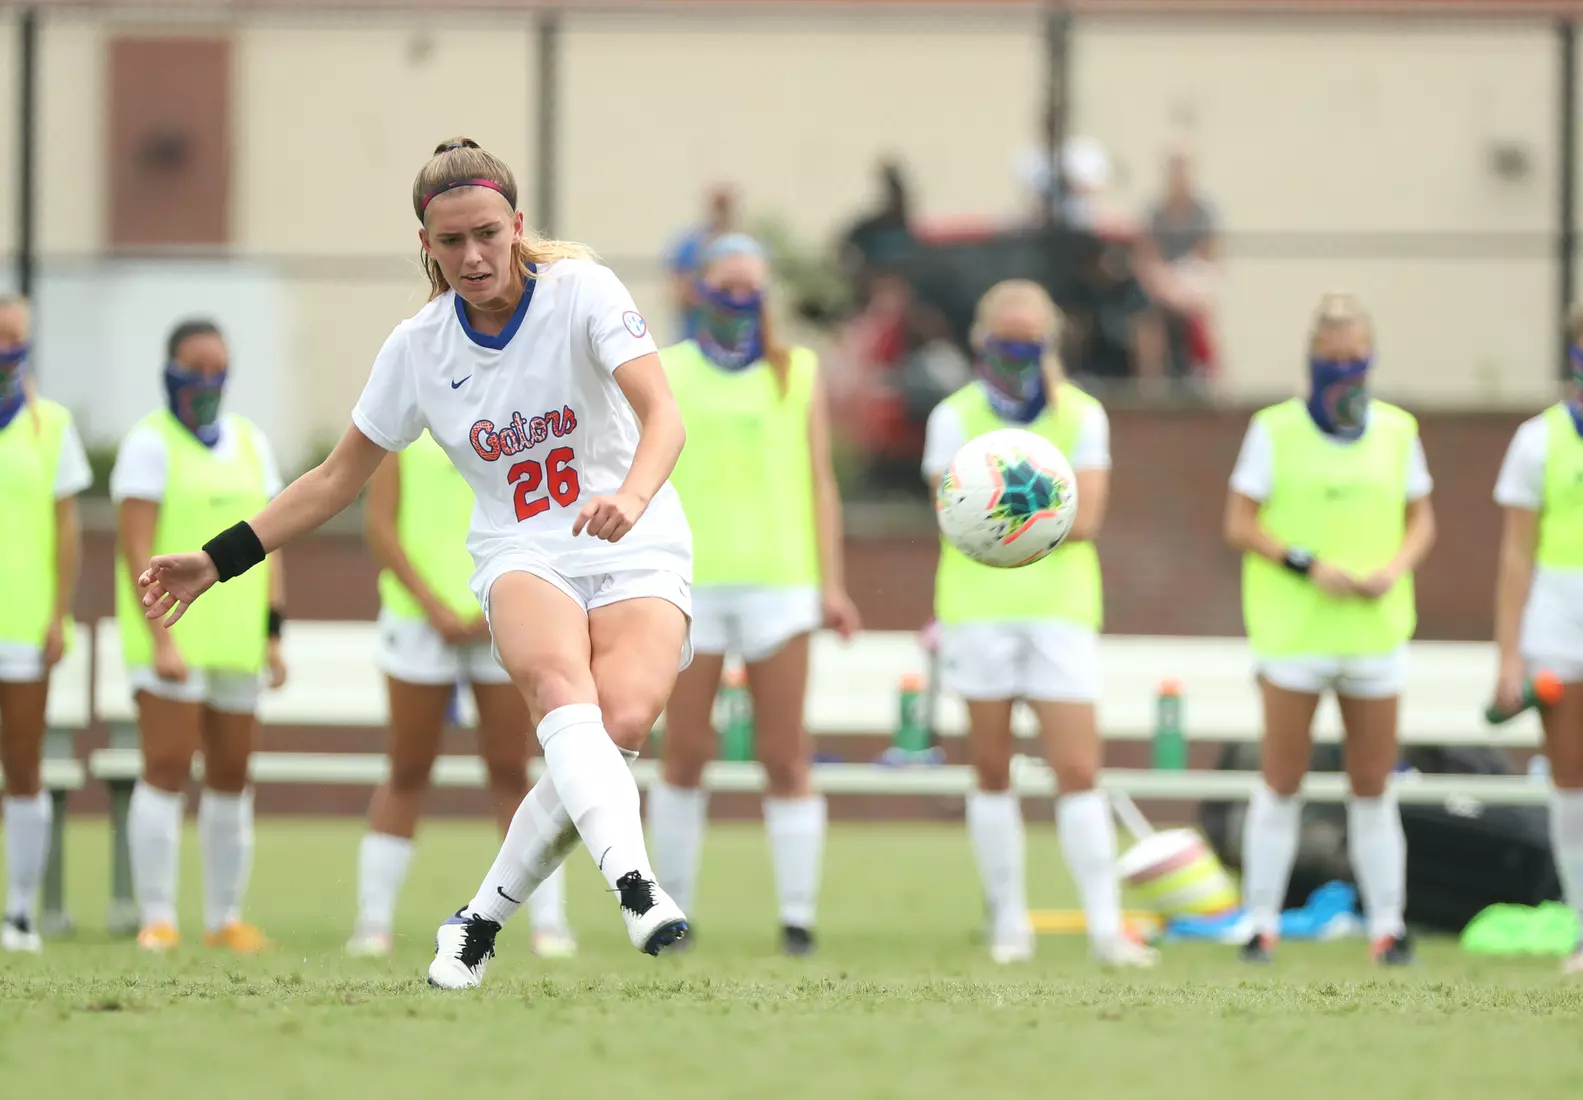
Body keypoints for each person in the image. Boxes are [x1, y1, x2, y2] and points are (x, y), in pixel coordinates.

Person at [136, 138, 693, 990]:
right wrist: (219, 560)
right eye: (449, 241)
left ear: (514, 226)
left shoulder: (582, 291)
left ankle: (475, 923)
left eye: (484, 234)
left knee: (618, 726)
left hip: (634, 537)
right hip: (523, 550)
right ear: (425, 246)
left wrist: (635, 495)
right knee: (558, 690)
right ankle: (635, 883)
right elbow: (333, 481)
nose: (471, 256)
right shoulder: (417, 348)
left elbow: (663, 415)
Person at [921, 279, 1156, 968]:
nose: (1017, 355)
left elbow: (1084, 519)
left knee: (1077, 768)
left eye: (1031, 342)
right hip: (976, 609)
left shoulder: (1081, 414)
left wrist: (1015, 520)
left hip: (1058, 612)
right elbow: (956, 515)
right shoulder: (953, 416)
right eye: (1005, 341)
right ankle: (1007, 922)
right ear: (980, 342)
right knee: (991, 768)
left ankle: (1105, 928)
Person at [647, 234, 861, 956]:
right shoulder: (664, 370)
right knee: (684, 750)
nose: (739, 299)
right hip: (688, 582)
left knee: (784, 754)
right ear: (696, 289)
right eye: (726, 284)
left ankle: (797, 916)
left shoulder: (794, 372)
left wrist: (830, 584)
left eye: (751, 286)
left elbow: (817, 482)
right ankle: (671, 913)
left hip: (779, 582)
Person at [1224, 292, 1435, 966]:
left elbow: (1421, 520)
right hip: (1294, 633)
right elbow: (1239, 523)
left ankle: (1387, 926)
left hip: (1372, 631)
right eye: (1331, 359)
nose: (1344, 370)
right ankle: (1260, 923)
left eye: (1355, 359)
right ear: (1311, 359)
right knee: (1280, 778)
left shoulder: (1397, 431)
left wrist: (1392, 567)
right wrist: (1303, 563)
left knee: (1372, 783)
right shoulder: (1273, 429)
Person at [347, 432, 575, 959]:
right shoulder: (400, 430)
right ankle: (372, 922)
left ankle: (549, 924)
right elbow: (380, 528)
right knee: (408, 766)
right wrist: (434, 607)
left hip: (499, 615)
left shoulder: (511, 422)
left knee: (511, 769)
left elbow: (539, 517)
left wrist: (496, 602)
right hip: (417, 621)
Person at [111, 318, 289, 954]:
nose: (208, 382)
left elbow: (270, 542)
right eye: (197, 368)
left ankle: (224, 918)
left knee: (232, 774)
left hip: (236, 639)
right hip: (175, 639)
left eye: (220, 369)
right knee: (164, 768)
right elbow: (135, 546)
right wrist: (160, 638)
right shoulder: (148, 444)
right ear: (170, 368)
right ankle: (157, 915)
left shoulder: (249, 442)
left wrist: (272, 632)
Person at [1492, 305, 1583, 976]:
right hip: (1558, 625)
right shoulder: (1536, 440)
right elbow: (1515, 555)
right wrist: (1507, 656)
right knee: (1569, 779)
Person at [0, 295, 92, 953]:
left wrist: (58, 613)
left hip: (23, 625)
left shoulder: (51, 425)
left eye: (16, 338)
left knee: (22, 766)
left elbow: (66, 529)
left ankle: (20, 913)